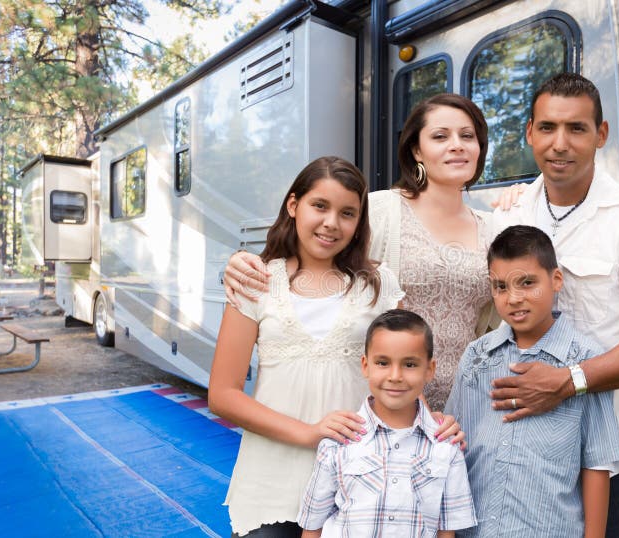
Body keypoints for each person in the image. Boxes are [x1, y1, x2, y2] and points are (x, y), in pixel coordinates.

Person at [489, 73, 619, 536]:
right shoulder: (509, 214)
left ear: (601, 134)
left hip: (598, 457)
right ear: (529, 133)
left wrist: (567, 382)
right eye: (547, 128)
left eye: (576, 128)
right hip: (515, 447)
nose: (560, 144)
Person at [223, 93, 495, 412]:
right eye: (440, 136)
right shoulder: (380, 209)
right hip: (383, 406)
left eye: (467, 136)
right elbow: (315, 250)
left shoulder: (495, 226)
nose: (457, 145)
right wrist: (242, 261)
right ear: (416, 150)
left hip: (467, 404)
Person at [208, 156, 407, 537]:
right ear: (293, 205)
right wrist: (309, 432)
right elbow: (222, 394)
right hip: (270, 480)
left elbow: (400, 375)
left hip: (356, 480)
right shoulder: (257, 280)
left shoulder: (378, 284)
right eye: (320, 206)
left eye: (347, 213)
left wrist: (433, 426)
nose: (332, 223)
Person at [445, 225, 619, 537]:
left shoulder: (586, 361)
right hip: (476, 529)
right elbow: (453, 447)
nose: (514, 298)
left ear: (556, 280)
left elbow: (597, 463)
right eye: (501, 287)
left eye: (527, 283)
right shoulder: (477, 356)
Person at [297, 310, 477, 537]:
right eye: (383, 363)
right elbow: (312, 526)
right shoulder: (339, 442)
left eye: (410, 364)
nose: (395, 376)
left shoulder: (446, 447)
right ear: (365, 366)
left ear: (429, 370)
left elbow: (446, 531)